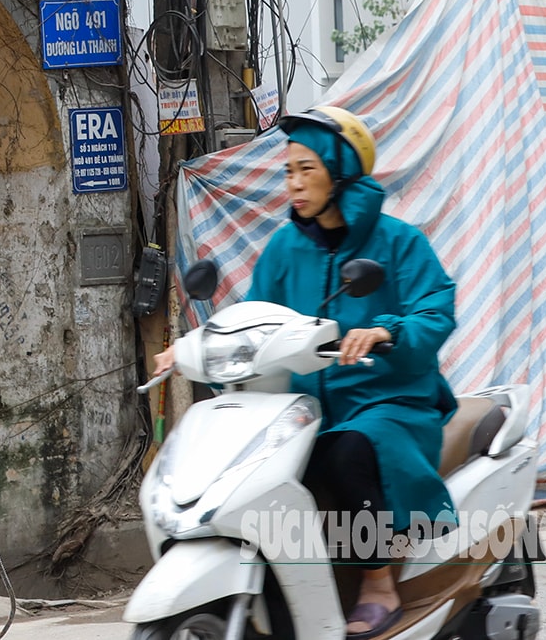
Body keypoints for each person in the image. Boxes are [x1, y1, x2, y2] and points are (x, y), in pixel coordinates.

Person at [154, 106, 458, 637]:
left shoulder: (398, 243)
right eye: (288, 171)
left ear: (340, 172)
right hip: (306, 408)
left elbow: (435, 309)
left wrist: (385, 331)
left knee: (346, 453)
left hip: (388, 403)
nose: (292, 183)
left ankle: (379, 582)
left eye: (306, 170)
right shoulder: (285, 247)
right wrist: (192, 346)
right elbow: (256, 319)